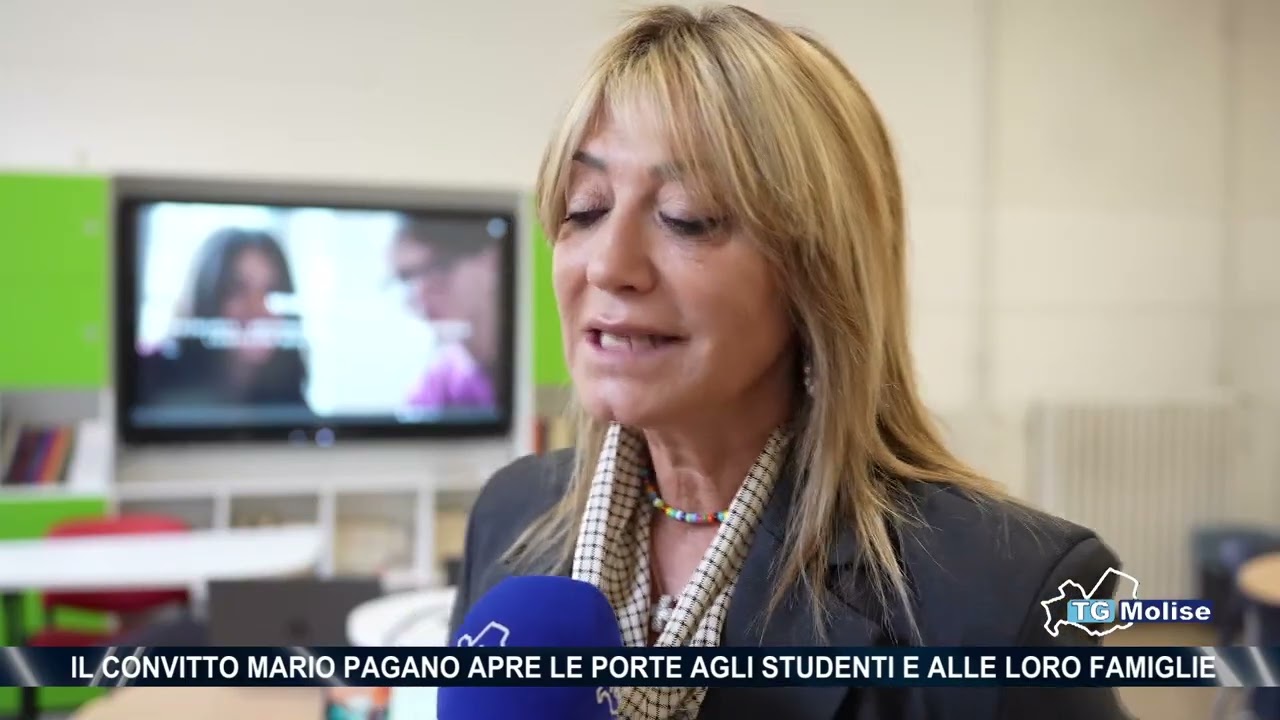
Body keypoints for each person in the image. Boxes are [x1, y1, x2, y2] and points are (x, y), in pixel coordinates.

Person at [450, 5, 1128, 720]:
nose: (609, 265)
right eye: (586, 208)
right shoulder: (510, 513)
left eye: (686, 216)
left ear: (816, 273)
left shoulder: (1003, 597)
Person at [137, 227, 310, 409]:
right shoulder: (147, 376)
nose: (258, 308)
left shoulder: (291, 404)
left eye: (271, 291)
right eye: (238, 289)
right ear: (208, 297)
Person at [391, 216, 501, 411]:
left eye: (438, 268)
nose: (421, 295)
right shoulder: (435, 387)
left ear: (491, 261)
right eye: (407, 279)